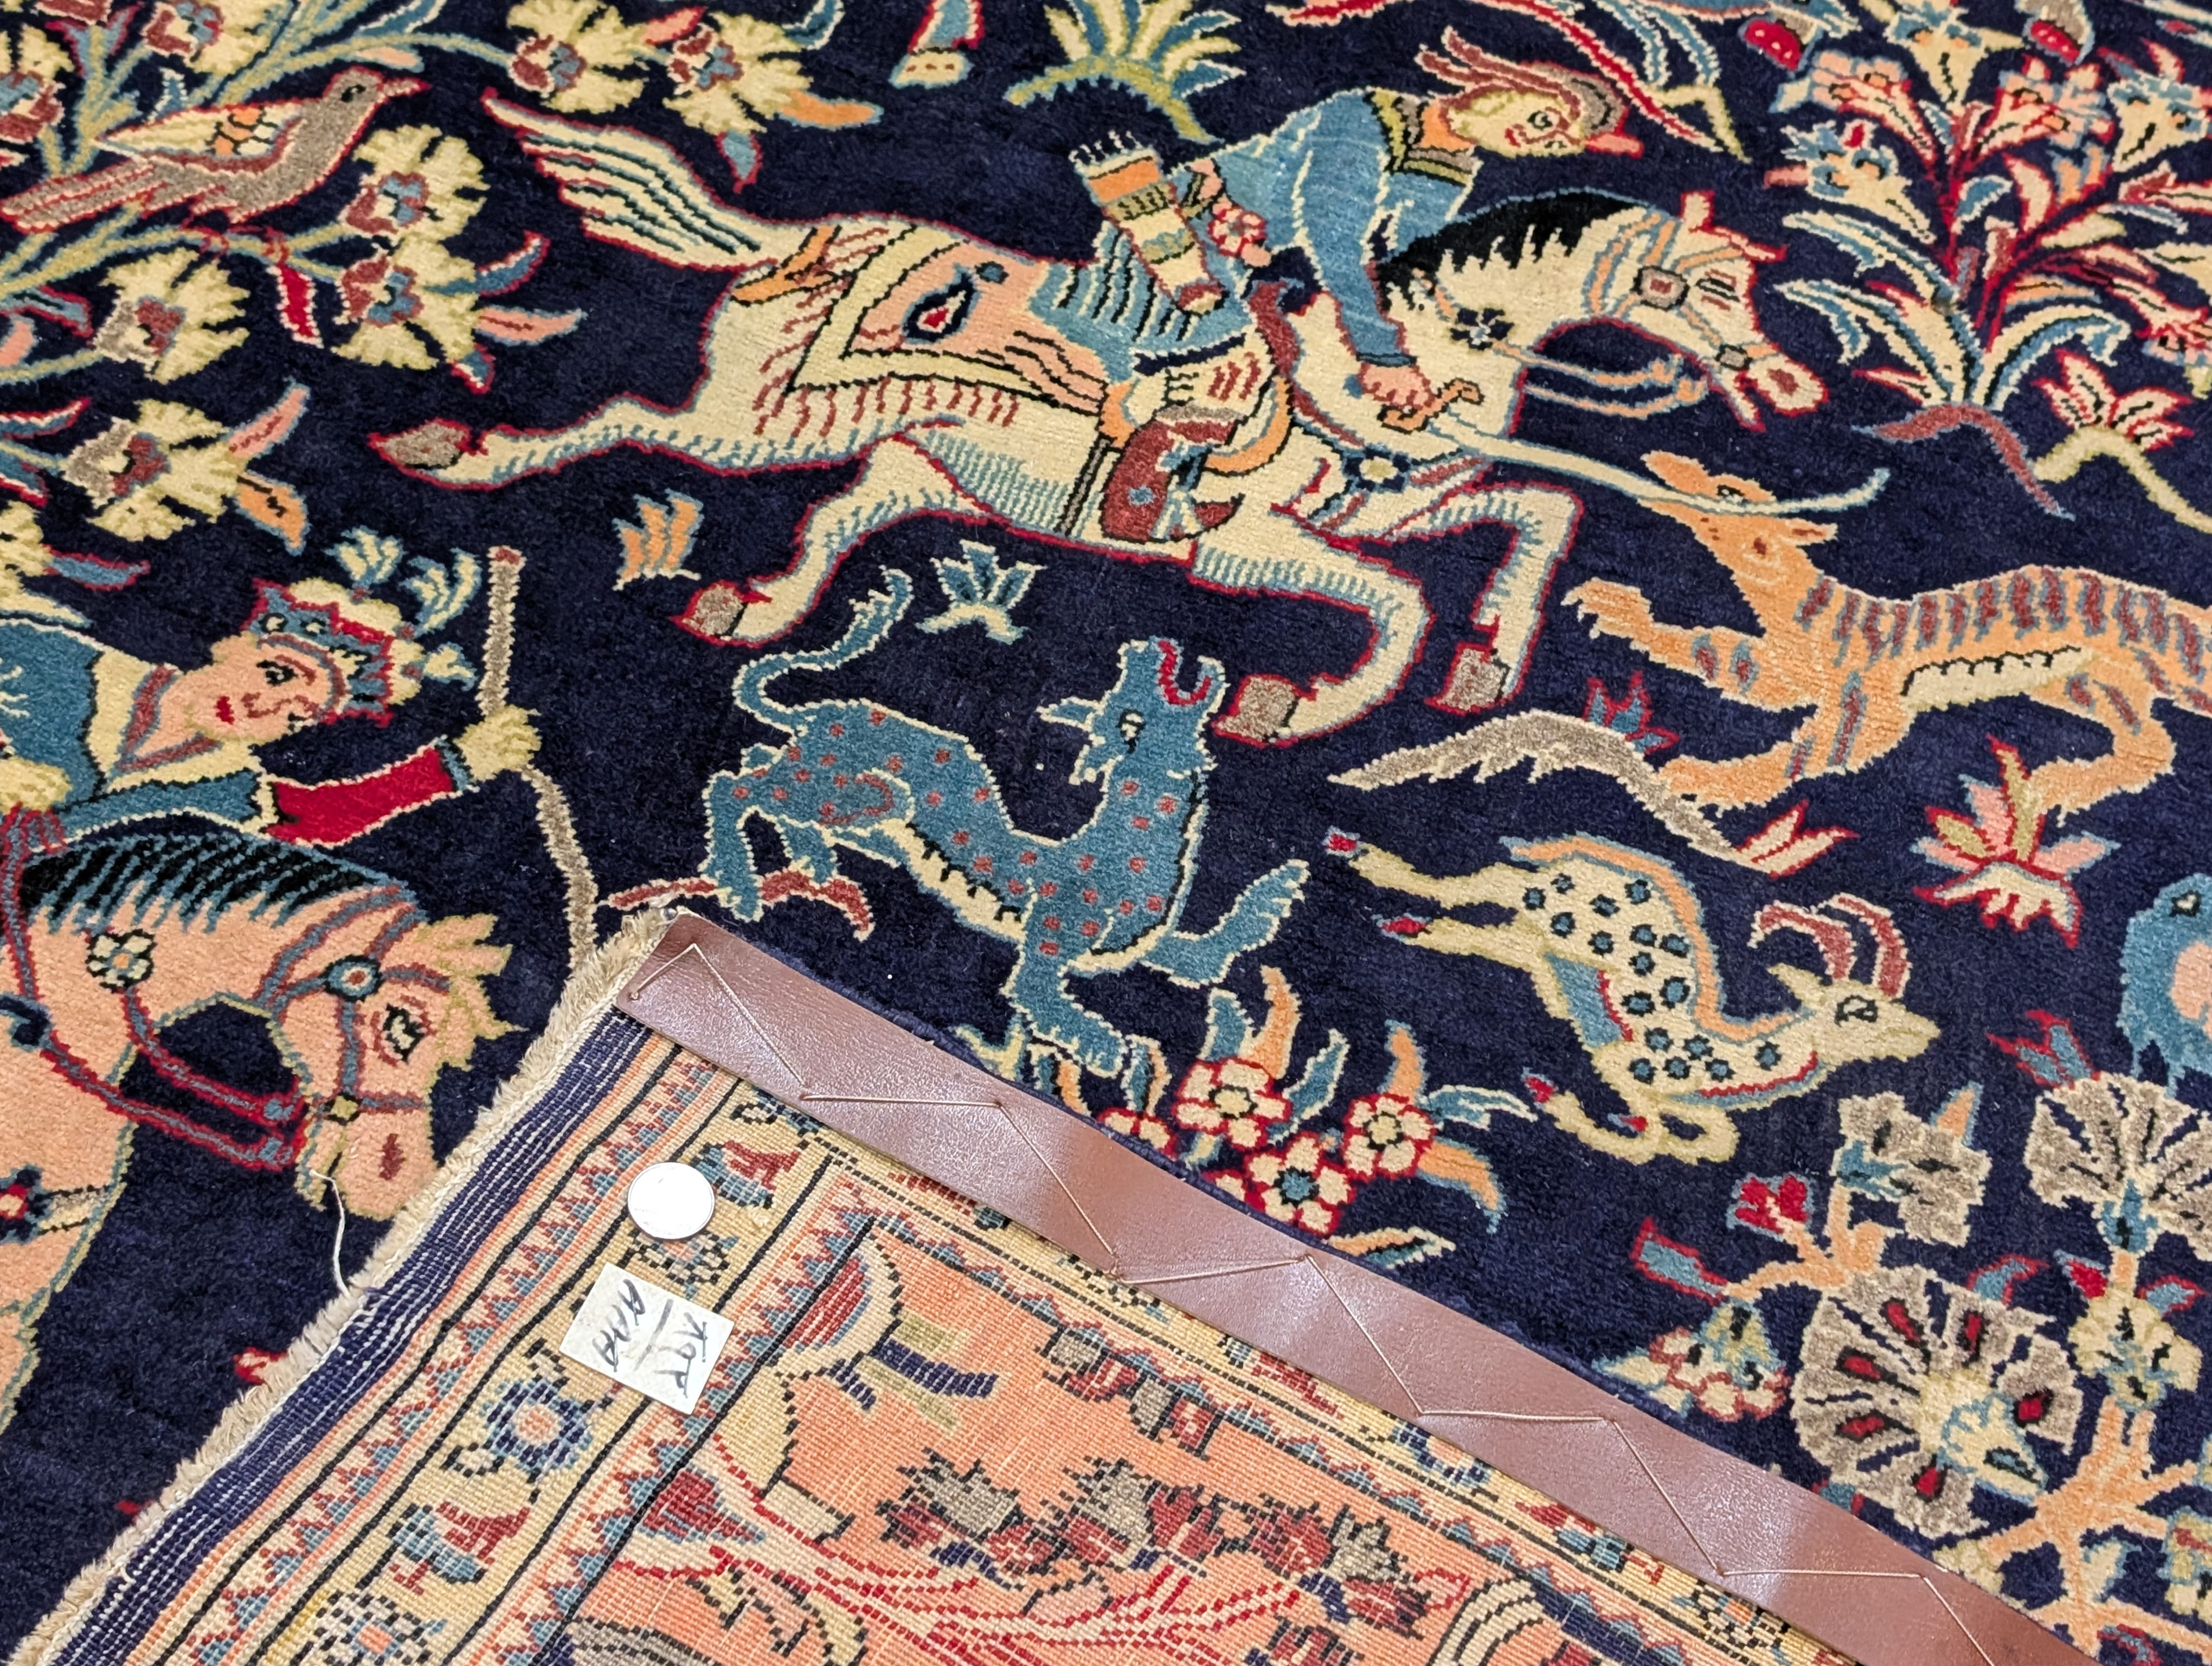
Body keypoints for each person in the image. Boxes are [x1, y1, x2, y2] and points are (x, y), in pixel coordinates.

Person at [1039, 33, 1640, 542]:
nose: (1532, 140)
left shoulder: (1452, 162)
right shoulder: (1364, 117)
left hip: (1255, 263)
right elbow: (1332, 236)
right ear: (1507, 85)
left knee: (1288, 356)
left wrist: (1438, 330)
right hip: (1185, 235)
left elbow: (1411, 258)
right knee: (1232, 364)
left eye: (1553, 143)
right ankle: (1136, 507)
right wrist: (1380, 352)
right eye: (1541, 120)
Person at [0, 576, 537, 844]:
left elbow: (324, 817)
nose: (264, 708)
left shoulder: (226, 785)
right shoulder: (57, 660)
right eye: (277, 674)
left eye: (296, 715)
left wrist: (457, 765)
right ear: (235, 647)